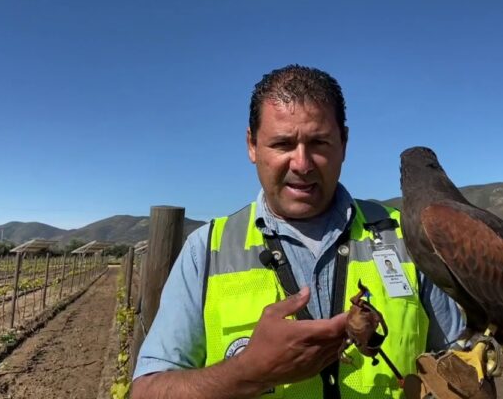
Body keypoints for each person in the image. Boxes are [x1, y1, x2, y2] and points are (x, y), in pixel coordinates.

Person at [131, 64, 464, 399]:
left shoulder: (406, 236)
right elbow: (146, 391)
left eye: (319, 142)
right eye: (282, 144)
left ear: (344, 143)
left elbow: (462, 369)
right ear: (252, 145)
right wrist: (249, 372)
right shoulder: (206, 250)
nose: (302, 164)